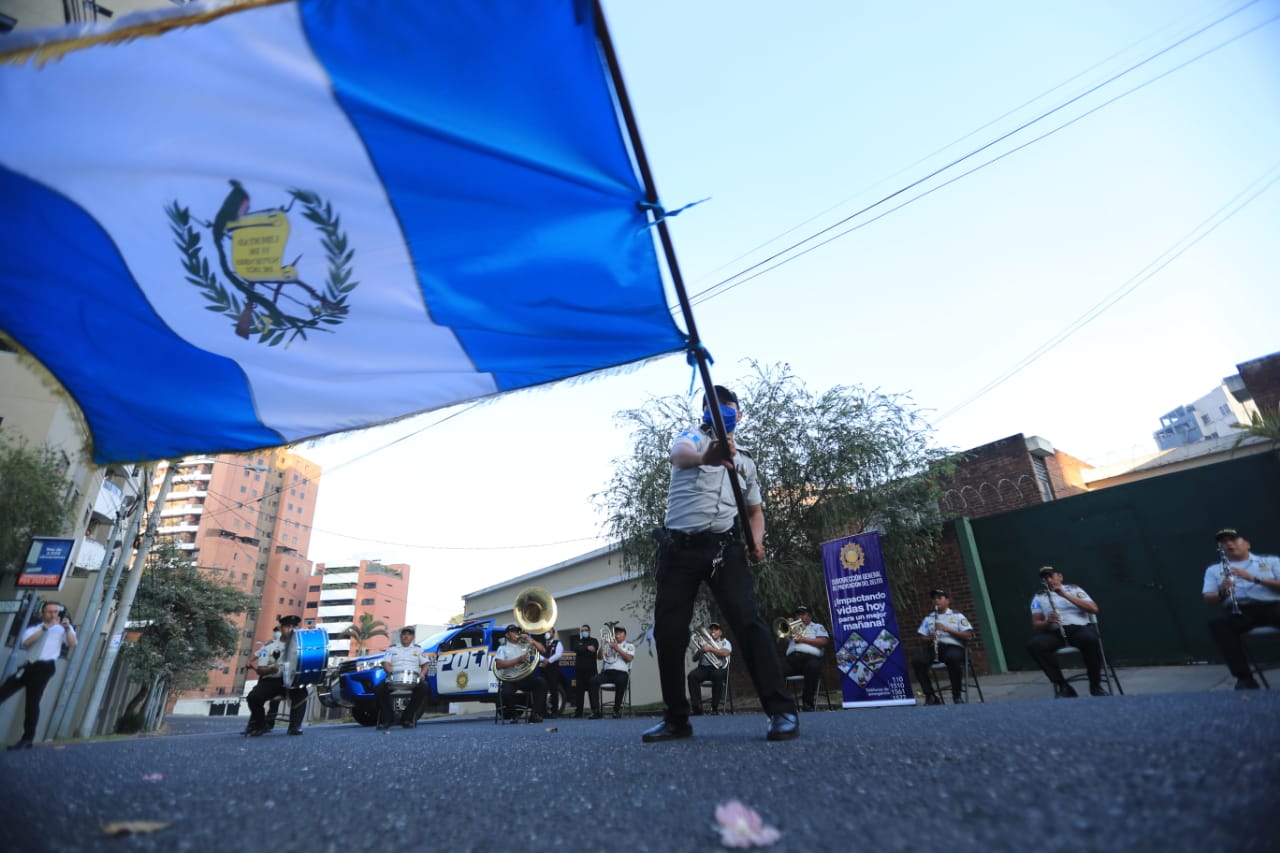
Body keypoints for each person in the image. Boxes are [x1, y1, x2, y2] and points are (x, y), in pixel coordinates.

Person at [642, 384, 799, 744]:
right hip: (678, 550)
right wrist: (706, 458)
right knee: (669, 634)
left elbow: (755, 511)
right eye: (716, 406)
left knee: (750, 624)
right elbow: (680, 455)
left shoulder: (746, 462)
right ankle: (676, 720)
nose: (725, 412)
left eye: (730, 407)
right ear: (705, 411)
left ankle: (782, 711)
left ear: (739, 414)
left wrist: (757, 541)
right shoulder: (691, 438)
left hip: (724, 551)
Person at [1202, 528, 1280, 690]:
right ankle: (1245, 678)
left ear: (1247, 544)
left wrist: (1255, 579)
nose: (1229, 543)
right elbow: (1209, 599)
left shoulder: (1271, 561)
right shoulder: (1214, 570)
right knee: (1218, 623)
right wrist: (1223, 592)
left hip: (1272, 606)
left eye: (1233, 539)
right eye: (1223, 542)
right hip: (1241, 610)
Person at [1, 600, 76, 750]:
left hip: (45, 667)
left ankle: (27, 739)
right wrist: (45, 627)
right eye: (50, 612)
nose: (53, 615)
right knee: (4, 691)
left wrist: (67, 628)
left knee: (32, 703)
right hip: (29, 665)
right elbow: (27, 643)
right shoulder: (35, 628)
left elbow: (72, 643)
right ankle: (27, 739)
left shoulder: (63, 630)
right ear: (43, 614)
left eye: (56, 612)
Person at [1027, 567, 1104, 698]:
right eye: (1045, 578)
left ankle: (1095, 685)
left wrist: (1064, 595)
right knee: (1034, 645)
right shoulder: (1039, 597)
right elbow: (1036, 624)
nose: (1048, 580)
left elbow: (1093, 609)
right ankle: (1063, 686)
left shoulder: (1074, 589)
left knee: (1091, 639)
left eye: (1051, 576)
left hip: (1078, 629)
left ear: (1060, 577)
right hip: (1055, 632)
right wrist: (1048, 622)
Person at [245, 615, 308, 736]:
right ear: (281, 628)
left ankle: (295, 726)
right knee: (253, 697)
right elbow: (261, 670)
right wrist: (270, 670)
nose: (291, 629)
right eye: (288, 626)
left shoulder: (304, 646)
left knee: (302, 693)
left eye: (295, 626)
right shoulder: (269, 646)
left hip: (293, 680)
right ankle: (260, 724)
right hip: (273, 681)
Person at [910, 589, 975, 705]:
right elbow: (922, 637)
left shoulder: (957, 616)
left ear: (948, 601)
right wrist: (930, 638)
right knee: (917, 660)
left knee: (952, 658)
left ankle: (957, 695)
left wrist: (947, 629)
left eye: (939, 598)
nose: (936, 601)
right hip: (935, 648)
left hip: (954, 647)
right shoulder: (929, 618)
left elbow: (968, 636)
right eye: (934, 599)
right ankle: (931, 696)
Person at [375, 626, 430, 731]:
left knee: (424, 687)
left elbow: (426, 664)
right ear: (401, 636)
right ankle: (388, 718)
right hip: (393, 678)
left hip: (412, 679)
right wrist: (389, 672)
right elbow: (386, 662)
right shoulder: (392, 648)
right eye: (404, 634)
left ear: (412, 637)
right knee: (378, 688)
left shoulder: (418, 649)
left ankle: (407, 718)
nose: (406, 636)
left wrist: (422, 674)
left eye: (409, 634)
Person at [494, 623, 546, 723]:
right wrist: (518, 660)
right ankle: (514, 716)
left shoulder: (524, 644)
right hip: (510, 678)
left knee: (541, 682)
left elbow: (542, 650)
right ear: (507, 635)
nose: (516, 633)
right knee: (506, 692)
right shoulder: (502, 648)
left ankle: (535, 714)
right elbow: (499, 665)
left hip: (524, 677)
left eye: (517, 631)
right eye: (513, 632)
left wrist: (531, 641)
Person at [783, 605, 830, 711]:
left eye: (802, 614)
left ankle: (807, 703)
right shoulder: (794, 627)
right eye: (798, 614)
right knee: (776, 669)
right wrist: (787, 627)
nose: (799, 617)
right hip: (792, 660)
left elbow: (823, 641)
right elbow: (780, 639)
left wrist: (803, 639)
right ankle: (782, 704)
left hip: (809, 659)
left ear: (810, 616)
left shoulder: (817, 627)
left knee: (813, 667)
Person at [589, 625, 635, 719]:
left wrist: (617, 648)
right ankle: (596, 711)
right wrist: (603, 645)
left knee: (621, 681)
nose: (617, 635)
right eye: (616, 633)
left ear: (624, 635)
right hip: (607, 673)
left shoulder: (629, 646)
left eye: (619, 633)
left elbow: (629, 658)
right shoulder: (608, 645)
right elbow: (599, 657)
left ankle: (616, 710)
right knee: (593, 680)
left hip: (621, 672)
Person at [686, 622, 732, 715]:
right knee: (692, 676)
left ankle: (714, 708)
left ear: (721, 632)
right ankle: (697, 708)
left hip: (719, 668)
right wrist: (701, 651)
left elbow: (725, 653)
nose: (713, 631)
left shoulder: (725, 642)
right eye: (711, 629)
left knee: (717, 675)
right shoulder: (703, 642)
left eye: (716, 629)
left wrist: (711, 649)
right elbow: (694, 659)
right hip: (703, 669)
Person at [570, 624, 599, 718]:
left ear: (589, 631)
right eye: (582, 630)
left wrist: (582, 649)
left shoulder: (594, 641)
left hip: (591, 671)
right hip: (579, 671)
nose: (584, 632)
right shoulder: (577, 641)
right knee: (579, 692)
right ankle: (579, 712)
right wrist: (586, 648)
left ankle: (595, 711)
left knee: (593, 692)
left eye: (585, 630)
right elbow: (575, 648)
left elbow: (594, 649)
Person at [538, 628, 566, 717]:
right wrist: (543, 660)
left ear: (553, 634)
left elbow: (558, 654)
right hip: (543, 670)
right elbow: (537, 654)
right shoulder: (541, 644)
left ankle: (554, 712)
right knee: (542, 690)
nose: (547, 633)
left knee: (554, 690)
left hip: (553, 670)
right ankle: (543, 712)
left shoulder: (558, 643)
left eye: (549, 632)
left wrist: (548, 661)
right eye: (546, 632)